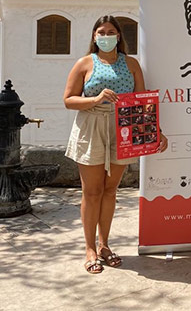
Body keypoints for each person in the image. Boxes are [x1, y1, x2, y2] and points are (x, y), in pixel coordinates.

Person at [64, 15, 168, 274]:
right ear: (94, 36)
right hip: (91, 126)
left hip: (124, 128)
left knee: (111, 190)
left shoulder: (131, 64)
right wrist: (96, 99)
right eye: (101, 31)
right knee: (92, 191)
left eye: (111, 31)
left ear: (119, 36)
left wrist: (156, 132)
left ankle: (104, 245)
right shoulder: (84, 63)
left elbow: (143, 101)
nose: (106, 35)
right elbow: (68, 100)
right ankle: (89, 248)